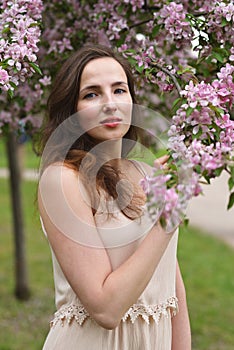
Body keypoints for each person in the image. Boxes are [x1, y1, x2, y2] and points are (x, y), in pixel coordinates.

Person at [38, 44, 191, 350]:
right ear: (72, 109)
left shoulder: (148, 174)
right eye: (92, 94)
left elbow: (171, 294)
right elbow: (106, 309)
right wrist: (167, 217)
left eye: (119, 90)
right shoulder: (62, 180)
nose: (110, 103)